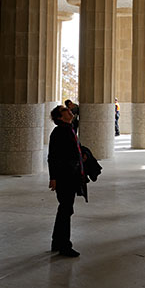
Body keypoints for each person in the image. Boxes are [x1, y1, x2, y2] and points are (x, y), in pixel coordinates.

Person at [48, 104, 88, 257]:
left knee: (65, 209)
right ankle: (64, 245)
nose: (69, 111)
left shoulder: (69, 129)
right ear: (59, 117)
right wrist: (53, 177)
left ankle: (57, 242)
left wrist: (82, 154)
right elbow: (53, 156)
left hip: (71, 174)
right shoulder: (59, 132)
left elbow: (73, 149)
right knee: (66, 209)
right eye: (65, 110)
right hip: (65, 176)